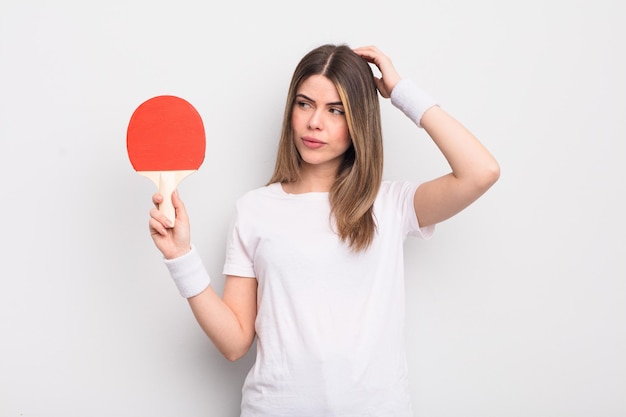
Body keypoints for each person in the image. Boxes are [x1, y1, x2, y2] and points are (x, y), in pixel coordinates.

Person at [148, 44, 500, 416]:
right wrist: (180, 257)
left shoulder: (390, 204)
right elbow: (235, 342)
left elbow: (481, 172)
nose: (315, 122)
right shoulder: (254, 209)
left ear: (359, 121)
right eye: (305, 104)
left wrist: (400, 92)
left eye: (336, 110)